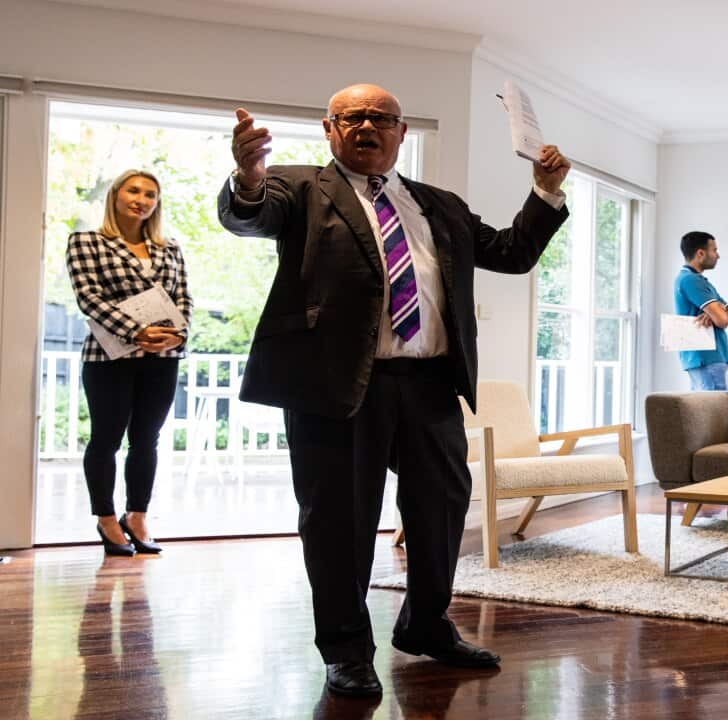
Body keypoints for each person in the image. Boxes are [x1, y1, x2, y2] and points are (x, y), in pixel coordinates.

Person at [217, 84, 569, 698]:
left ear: (402, 132)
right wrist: (248, 174)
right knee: (339, 523)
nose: (366, 126)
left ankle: (426, 626)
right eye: (352, 117)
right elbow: (249, 213)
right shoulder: (299, 189)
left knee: (441, 507)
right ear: (330, 129)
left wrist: (544, 192)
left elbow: (511, 255)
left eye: (381, 118)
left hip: (430, 382)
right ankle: (348, 650)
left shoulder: (441, 205)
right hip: (335, 387)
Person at [66, 169, 191, 558]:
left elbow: (184, 297)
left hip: (162, 358)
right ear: (116, 196)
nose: (142, 199)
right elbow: (89, 298)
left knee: (146, 440)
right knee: (107, 438)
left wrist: (179, 334)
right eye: (134, 191)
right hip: (109, 356)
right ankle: (106, 519)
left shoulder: (169, 247)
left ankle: (137, 516)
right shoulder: (87, 242)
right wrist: (137, 331)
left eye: (150, 194)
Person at [674, 231, 728, 390]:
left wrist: (717, 312)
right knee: (716, 410)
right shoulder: (691, 280)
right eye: (714, 250)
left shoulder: (701, 281)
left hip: (711, 357)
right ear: (701, 253)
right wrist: (718, 313)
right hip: (706, 357)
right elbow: (722, 320)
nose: (718, 255)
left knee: (709, 408)